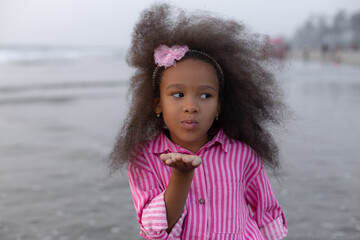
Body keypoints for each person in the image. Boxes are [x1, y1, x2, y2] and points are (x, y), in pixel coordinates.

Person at [110, 3, 288, 240]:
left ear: (219, 107)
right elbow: (154, 230)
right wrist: (181, 176)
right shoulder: (144, 158)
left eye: (205, 95)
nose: (191, 106)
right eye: (177, 94)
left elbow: (267, 216)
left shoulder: (243, 156)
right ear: (157, 104)